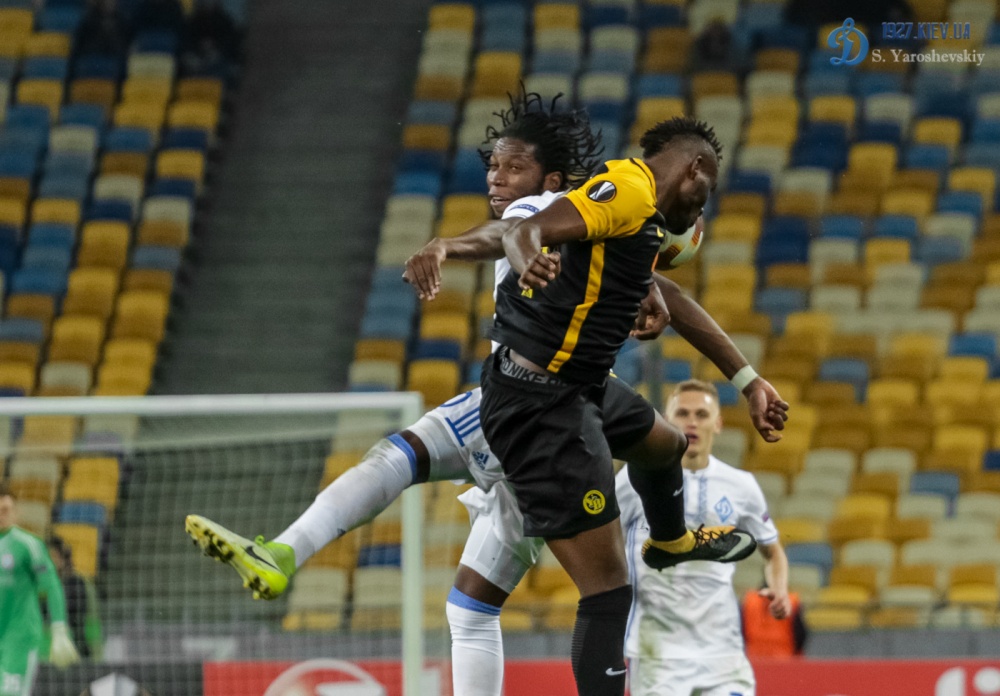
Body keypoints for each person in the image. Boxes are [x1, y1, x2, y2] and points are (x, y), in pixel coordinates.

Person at [185, 99, 787, 695]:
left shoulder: (568, 205)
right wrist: (466, 246)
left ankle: (286, 551)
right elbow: (525, 236)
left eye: (513, 167)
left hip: (545, 397)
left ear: (551, 179)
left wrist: (460, 245)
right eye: (493, 168)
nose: (498, 179)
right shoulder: (600, 208)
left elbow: (524, 230)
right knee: (483, 596)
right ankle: (283, 553)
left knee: (419, 472)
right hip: (550, 400)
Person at [472, 116, 784, 696]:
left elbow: (674, 297)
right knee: (609, 590)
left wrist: (748, 381)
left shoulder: (640, 218)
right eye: (706, 190)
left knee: (666, 445)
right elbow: (524, 230)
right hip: (539, 404)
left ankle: (670, 542)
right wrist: (523, 254)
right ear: (694, 169)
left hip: (582, 385)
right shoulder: (628, 190)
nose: (702, 209)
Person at [619, 380, 791, 696]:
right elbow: (606, 545)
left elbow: (773, 552)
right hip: (658, 654)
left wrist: (779, 588)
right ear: (666, 421)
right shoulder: (635, 481)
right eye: (682, 413)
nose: (692, 422)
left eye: (701, 414)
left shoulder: (741, 485)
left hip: (723, 653)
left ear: (718, 423)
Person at [0, 483, 79, 696]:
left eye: (5, 510)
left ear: (15, 512)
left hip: (19, 639)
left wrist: (59, 628)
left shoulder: (28, 545)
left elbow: (51, 585)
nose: (1, 515)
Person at [47, 536, 103, 661]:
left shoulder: (80, 584)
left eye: (54, 556)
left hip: (79, 649)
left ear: (63, 558)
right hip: (47, 654)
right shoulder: (41, 585)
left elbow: (90, 619)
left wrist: (96, 654)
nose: (51, 561)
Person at [741, 586, 807, 660]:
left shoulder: (749, 601)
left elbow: (740, 629)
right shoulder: (791, 601)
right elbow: (800, 634)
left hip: (754, 657)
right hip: (784, 657)